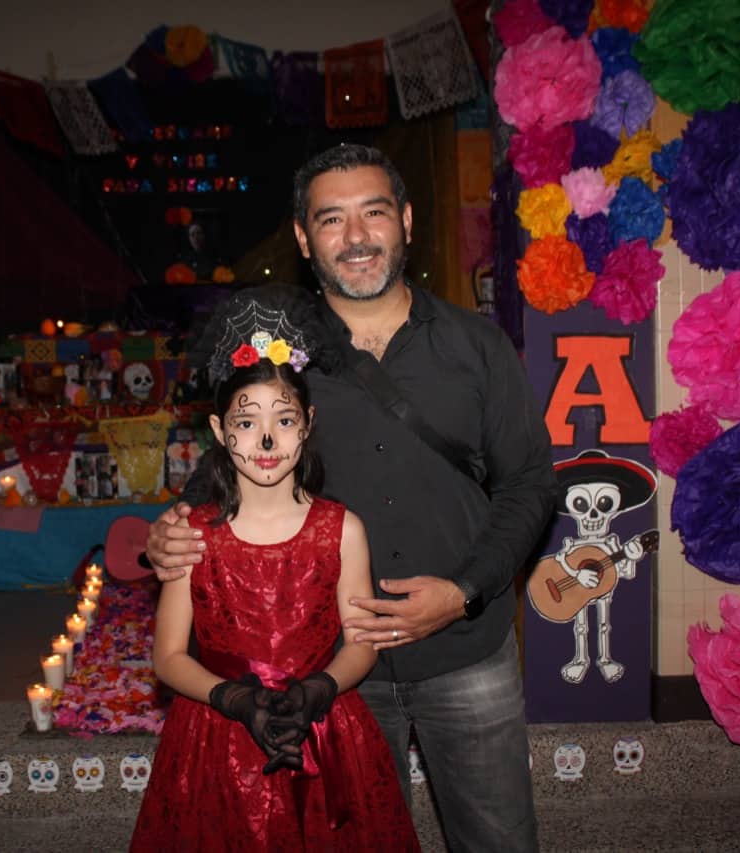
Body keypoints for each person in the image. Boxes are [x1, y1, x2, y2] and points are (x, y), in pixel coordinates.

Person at [147, 144, 557, 852]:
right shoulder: (280, 364)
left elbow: (530, 483)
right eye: (331, 220)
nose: (357, 236)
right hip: (331, 675)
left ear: (404, 220)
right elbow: (219, 483)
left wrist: (462, 590)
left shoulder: (475, 346)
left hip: (467, 650)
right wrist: (170, 533)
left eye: (373, 213)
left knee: (500, 841)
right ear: (305, 239)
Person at [130, 292, 420, 851]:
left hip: (325, 728)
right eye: (248, 421)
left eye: (283, 420)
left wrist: (321, 687)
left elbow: (362, 643)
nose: (266, 441)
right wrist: (234, 700)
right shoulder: (194, 535)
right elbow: (167, 657)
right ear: (219, 429)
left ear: (307, 423)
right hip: (215, 738)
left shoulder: (343, 530)